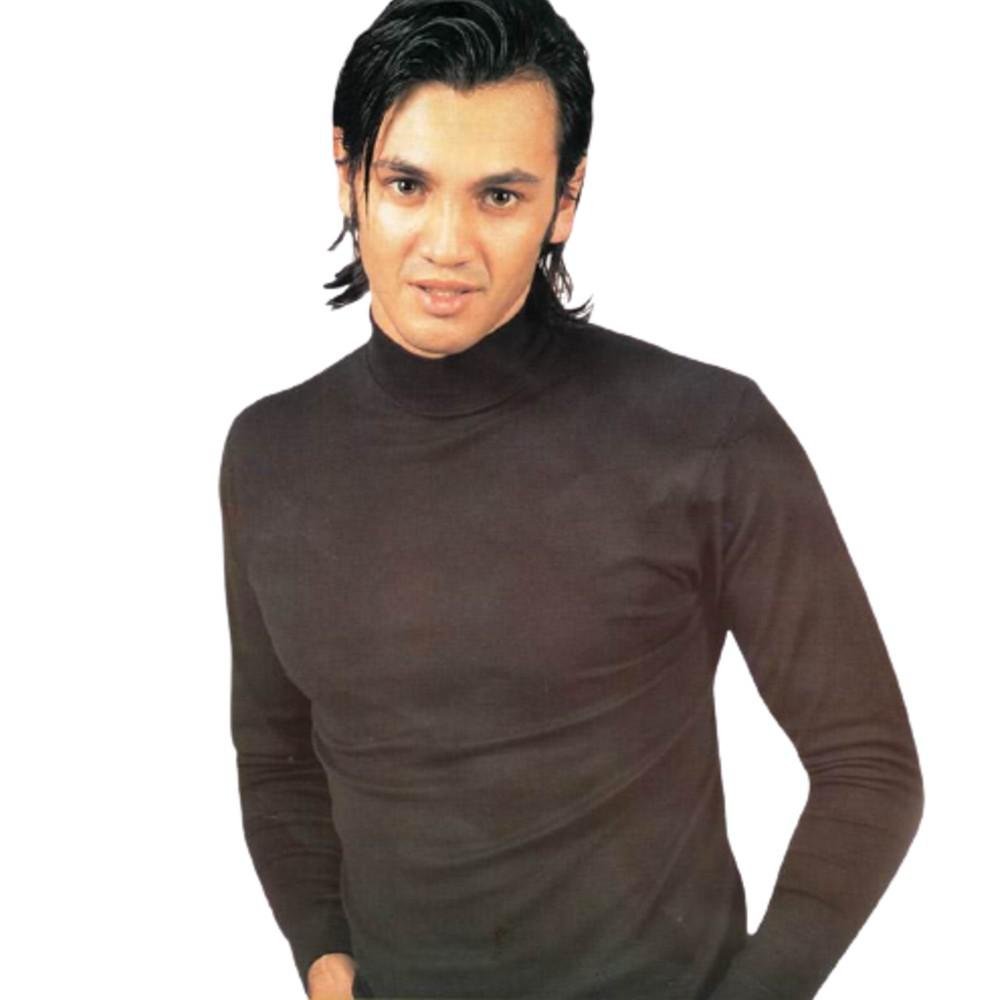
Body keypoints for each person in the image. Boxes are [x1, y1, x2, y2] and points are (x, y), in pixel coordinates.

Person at [218, 1, 923, 998]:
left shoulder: (706, 433)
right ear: (347, 172)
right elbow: (277, 757)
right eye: (408, 185)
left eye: (500, 196)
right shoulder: (270, 454)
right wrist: (323, 958)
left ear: (566, 199)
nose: (447, 244)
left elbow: (867, 767)